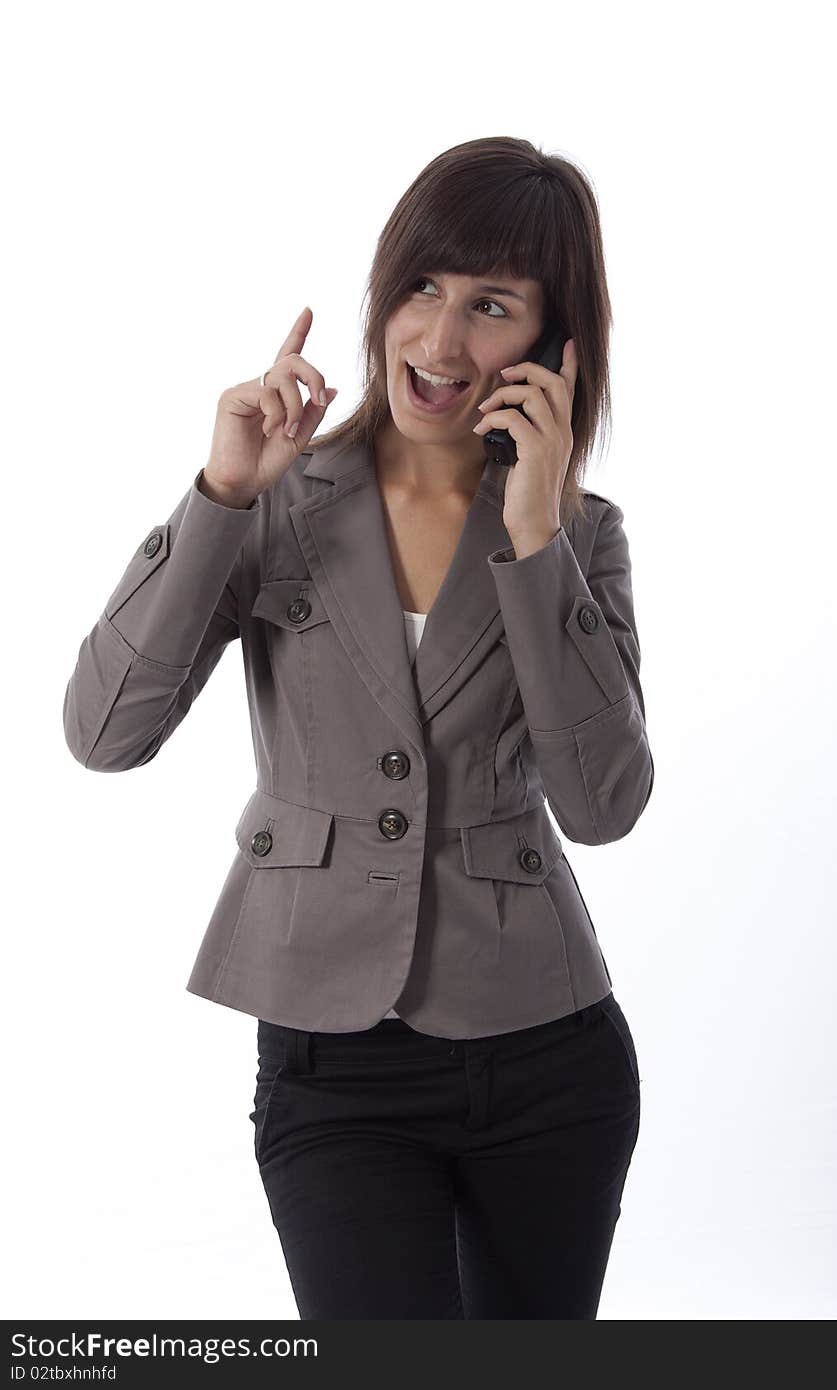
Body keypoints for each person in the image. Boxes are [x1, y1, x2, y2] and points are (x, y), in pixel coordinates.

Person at [63, 135, 653, 1319]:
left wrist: (536, 537)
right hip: (334, 1068)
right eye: (423, 289)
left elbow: (601, 807)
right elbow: (104, 731)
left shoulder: (578, 533)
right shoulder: (275, 498)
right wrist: (222, 494)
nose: (439, 342)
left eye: (490, 306)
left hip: (550, 1054)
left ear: (551, 342)